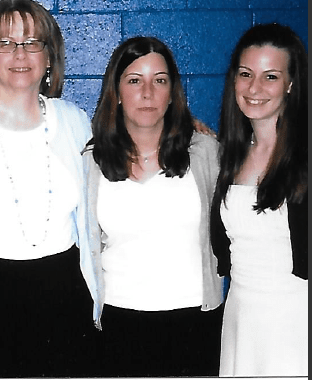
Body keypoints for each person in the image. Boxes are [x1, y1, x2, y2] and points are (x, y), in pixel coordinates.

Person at [0, 0, 100, 377]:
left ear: (49, 56)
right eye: (6, 43)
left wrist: (187, 132)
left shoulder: (75, 121)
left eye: (32, 42)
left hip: (63, 294)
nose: (20, 54)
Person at [83, 36, 224, 376]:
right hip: (118, 322)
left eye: (159, 80)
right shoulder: (91, 161)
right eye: (134, 80)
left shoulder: (205, 152)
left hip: (196, 321)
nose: (148, 92)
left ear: (171, 91)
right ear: (116, 92)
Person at [210, 23, 308, 377]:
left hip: (294, 323)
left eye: (270, 77)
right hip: (240, 315)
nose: (254, 88)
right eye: (246, 74)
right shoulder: (229, 155)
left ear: (291, 84)